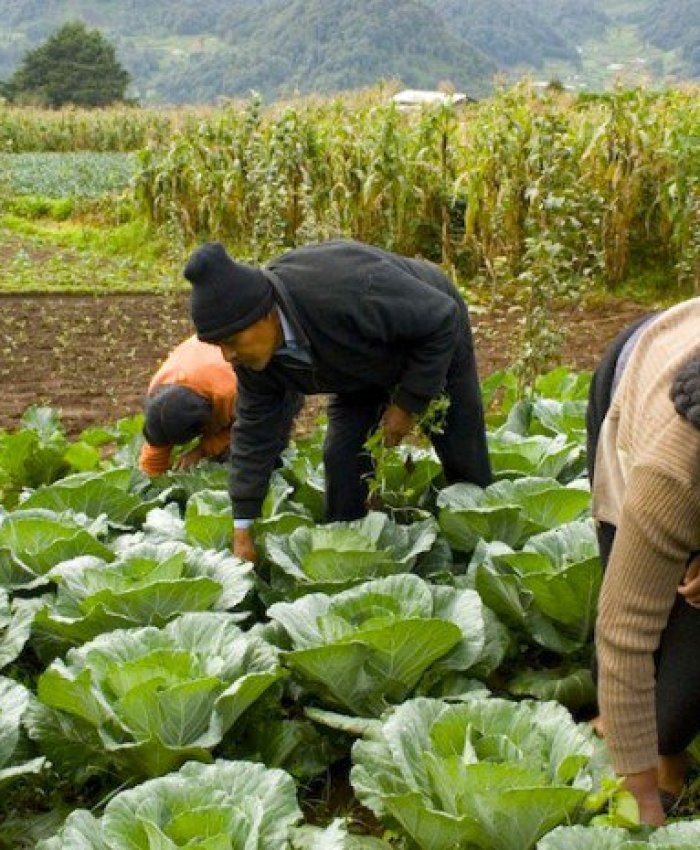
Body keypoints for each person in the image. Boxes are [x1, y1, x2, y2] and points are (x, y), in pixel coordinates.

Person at [184, 239, 492, 562]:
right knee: (343, 457)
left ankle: (482, 552)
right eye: (219, 346)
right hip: (358, 365)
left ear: (267, 315)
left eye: (232, 341)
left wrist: (407, 404)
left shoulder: (344, 292)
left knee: (461, 447)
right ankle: (350, 560)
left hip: (428, 328)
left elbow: (441, 318)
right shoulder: (253, 361)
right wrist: (242, 526)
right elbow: (254, 433)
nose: (228, 355)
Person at [587, 300, 700, 825]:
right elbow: (625, 629)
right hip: (639, 370)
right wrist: (643, 802)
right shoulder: (672, 469)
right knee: (665, 716)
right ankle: (629, 740)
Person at [139, 335, 237, 476]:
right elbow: (156, 447)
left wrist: (202, 450)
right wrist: (151, 478)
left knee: (236, 454)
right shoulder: (157, 394)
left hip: (242, 357)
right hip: (200, 359)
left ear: (205, 424)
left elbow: (252, 424)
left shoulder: (231, 391)